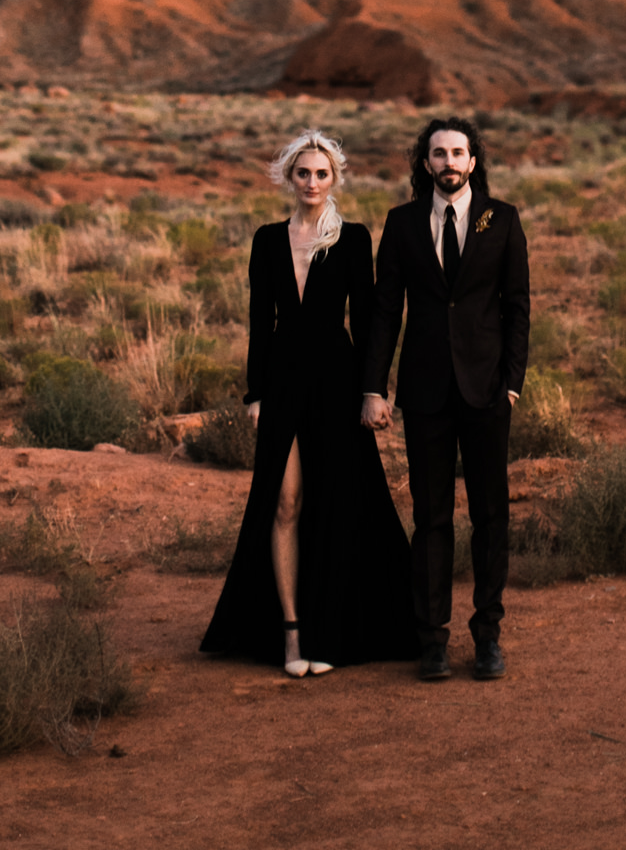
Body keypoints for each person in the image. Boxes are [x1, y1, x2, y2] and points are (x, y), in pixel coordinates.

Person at [200, 130, 418, 676]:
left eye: (322, 174)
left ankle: (329, 633)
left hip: (338, 381)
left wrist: (374, 390)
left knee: (335, 504)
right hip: (281, 383)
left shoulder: (353, 237)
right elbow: (259, 321)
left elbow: (367, 321)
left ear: (334, 179)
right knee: (285, 502)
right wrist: (255, 394)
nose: (313, 182)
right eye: (304, 173)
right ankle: (292, 634)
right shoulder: (267, 240)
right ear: (289, 178)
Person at [362, 116, 530, 682]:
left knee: (490, 515)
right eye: (439, 154)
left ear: (473, 161)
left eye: (458, 153)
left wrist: (511, 383)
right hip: (427, 389)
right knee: (431, 518)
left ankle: (488, 636)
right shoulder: (403, 223)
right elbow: (386, 310)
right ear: (425, 162)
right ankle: (432, 640)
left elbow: (517, 308)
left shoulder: (502, 220)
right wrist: (374, 386)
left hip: (486, 391)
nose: (449, 162)